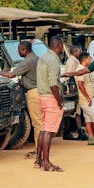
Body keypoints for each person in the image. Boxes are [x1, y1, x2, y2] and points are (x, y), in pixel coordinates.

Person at [0, 39, 41, 156]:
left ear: (23, 50)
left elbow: (11, 74)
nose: (17, 52)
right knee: (40, 122)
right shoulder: (36, 58)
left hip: (33, 92)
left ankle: (39, 150)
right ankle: (40, 149)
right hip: (39, 91)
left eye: (18, 50)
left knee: (37, 123)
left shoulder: (28, 61)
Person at [35, 35, 65, 171]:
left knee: (43, 129)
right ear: (59, 45)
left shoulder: (43, 57)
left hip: (42, 96)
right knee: (49, 131)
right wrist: (59, 101)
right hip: (51, 97)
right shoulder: (53, 60)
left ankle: (38, 160)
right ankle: (46, 163)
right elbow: (53, 84)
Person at [75, 52, 94, 145]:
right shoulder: (80, 70)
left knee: (88, 119)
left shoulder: (85, 69)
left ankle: (91, 138)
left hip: (88, 98)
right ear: (85, 60)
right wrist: (87, 97)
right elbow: (80, 85)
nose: (91, 61)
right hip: (86, 99)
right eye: (90, 59)